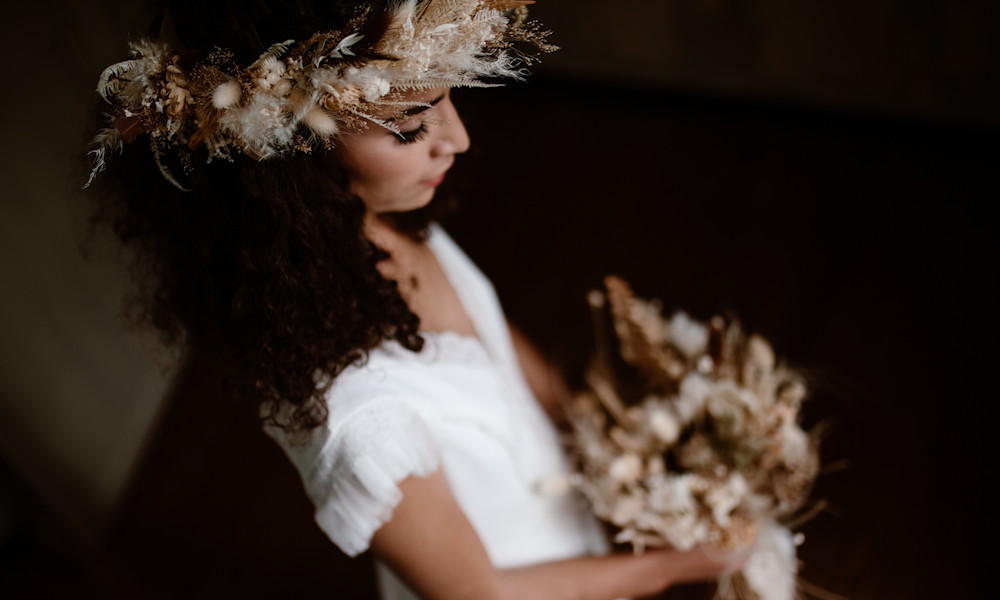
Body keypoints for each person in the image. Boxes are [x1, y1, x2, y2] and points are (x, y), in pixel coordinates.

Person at [87, 1, 748, 598]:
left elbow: (500, 354)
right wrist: (677, 566)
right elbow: (481, 594)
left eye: (449, 100)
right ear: (296, 157)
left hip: (575, 526)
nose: (456, 140)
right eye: (410, 126)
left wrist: (624, 442)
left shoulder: (378, 220)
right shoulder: (356, 421)